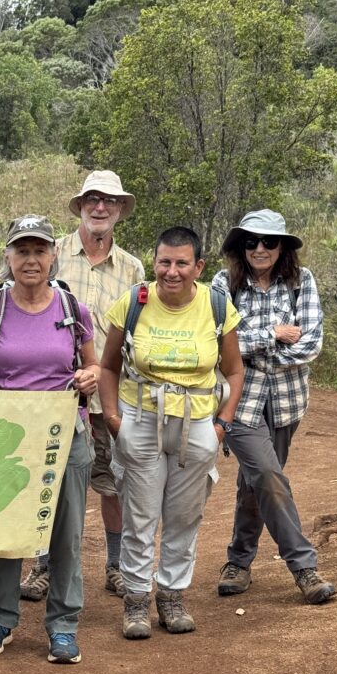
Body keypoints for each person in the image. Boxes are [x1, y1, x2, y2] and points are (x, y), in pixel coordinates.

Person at [0, 215, 99, 665]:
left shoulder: (73, 310)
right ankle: (0, 618)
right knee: (5, 528)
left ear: (53, 255)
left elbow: (94, 367)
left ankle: (63, 626)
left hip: (64, 438)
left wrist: (90, 377)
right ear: (8, 257)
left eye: (39, 250)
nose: (31, 260)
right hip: (7, 443)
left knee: (65, 532)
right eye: (22, 251)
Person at [99, 226, 244, 639]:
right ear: (155, 261)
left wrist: (222, 425)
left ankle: (173, 596)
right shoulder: (134, 302)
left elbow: (234, 369)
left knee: (184, 517)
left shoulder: (216, 307)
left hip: (197, 425)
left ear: (198, 266)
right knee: (140, 518)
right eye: (165, 262)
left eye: (182, 263)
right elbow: (108, 365)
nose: (172, 271)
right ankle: (136, 602)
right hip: (141, 421)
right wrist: (114, 420)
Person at [21, 170, 145, 603]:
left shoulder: (132, 268)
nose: (100, 207)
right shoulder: (52, 256)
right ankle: (42, 566)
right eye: (92, 199)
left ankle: (116, 566)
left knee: (112, 482)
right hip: (54, 394)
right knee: (46, 480)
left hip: (109, 394)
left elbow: (135, 334)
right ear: (81, 206)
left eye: (109, 201)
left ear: (119, 210)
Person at [213, 210, 336, 604]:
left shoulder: (303, 281)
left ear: (282, 246)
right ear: (240, 247)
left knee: (257, 482)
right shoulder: (223, 284)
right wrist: (273, 335)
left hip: (287, 403)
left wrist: (249, 349)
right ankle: (304, 567)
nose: (260, 248)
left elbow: (310, 343)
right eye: (251, 241)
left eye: (268, 241)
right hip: (239, 403)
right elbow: (217, 343)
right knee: (267, 476)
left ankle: (238, 561)